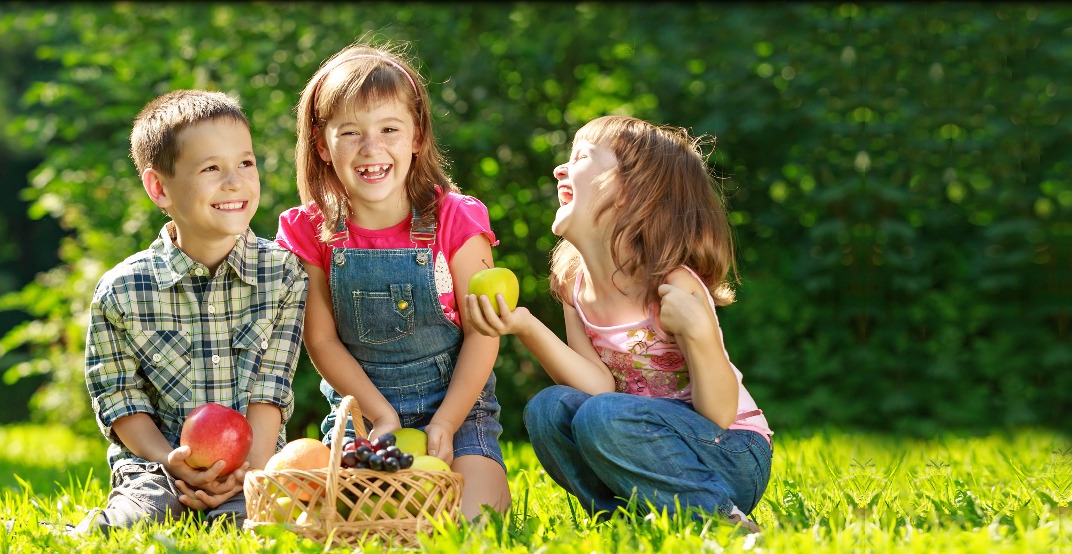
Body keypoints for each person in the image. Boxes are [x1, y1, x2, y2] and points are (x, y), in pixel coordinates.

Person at [464, 115, 773, 532]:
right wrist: (525, 325)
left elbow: (718, 413)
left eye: (580, 157)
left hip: (729, 453)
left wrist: (700, 333)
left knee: (601, 416)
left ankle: (720, 518)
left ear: (630, 191)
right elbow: (597, 387)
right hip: (630, 440)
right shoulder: (574, 285)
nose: (559, 169)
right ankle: (625, 520)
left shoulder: (671, 282)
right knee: (548, 409)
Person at [275, 41, 510, 520]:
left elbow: (484, 334)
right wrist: (379, 416)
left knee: (470, 521)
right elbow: (321, 340)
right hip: (363, 418)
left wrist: (445, 421)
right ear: (322, 144)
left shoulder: (455, 220)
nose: (371, 149)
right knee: (361, 524)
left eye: (389, 129)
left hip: (459, 412)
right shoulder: (312, 231)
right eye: (350, 133)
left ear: (417, 136)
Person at [77, 90, 309, 534]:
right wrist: (171, 460)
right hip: (156, 467)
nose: (235, 181)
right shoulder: (122, 292)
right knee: (142, 519)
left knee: (255, 526)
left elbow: (270, 391)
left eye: (246, 163)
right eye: (210, 168)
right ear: (159, 188)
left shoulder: (283, 275)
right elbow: (121, 401)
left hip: (253, 463)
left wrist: (249, 471)